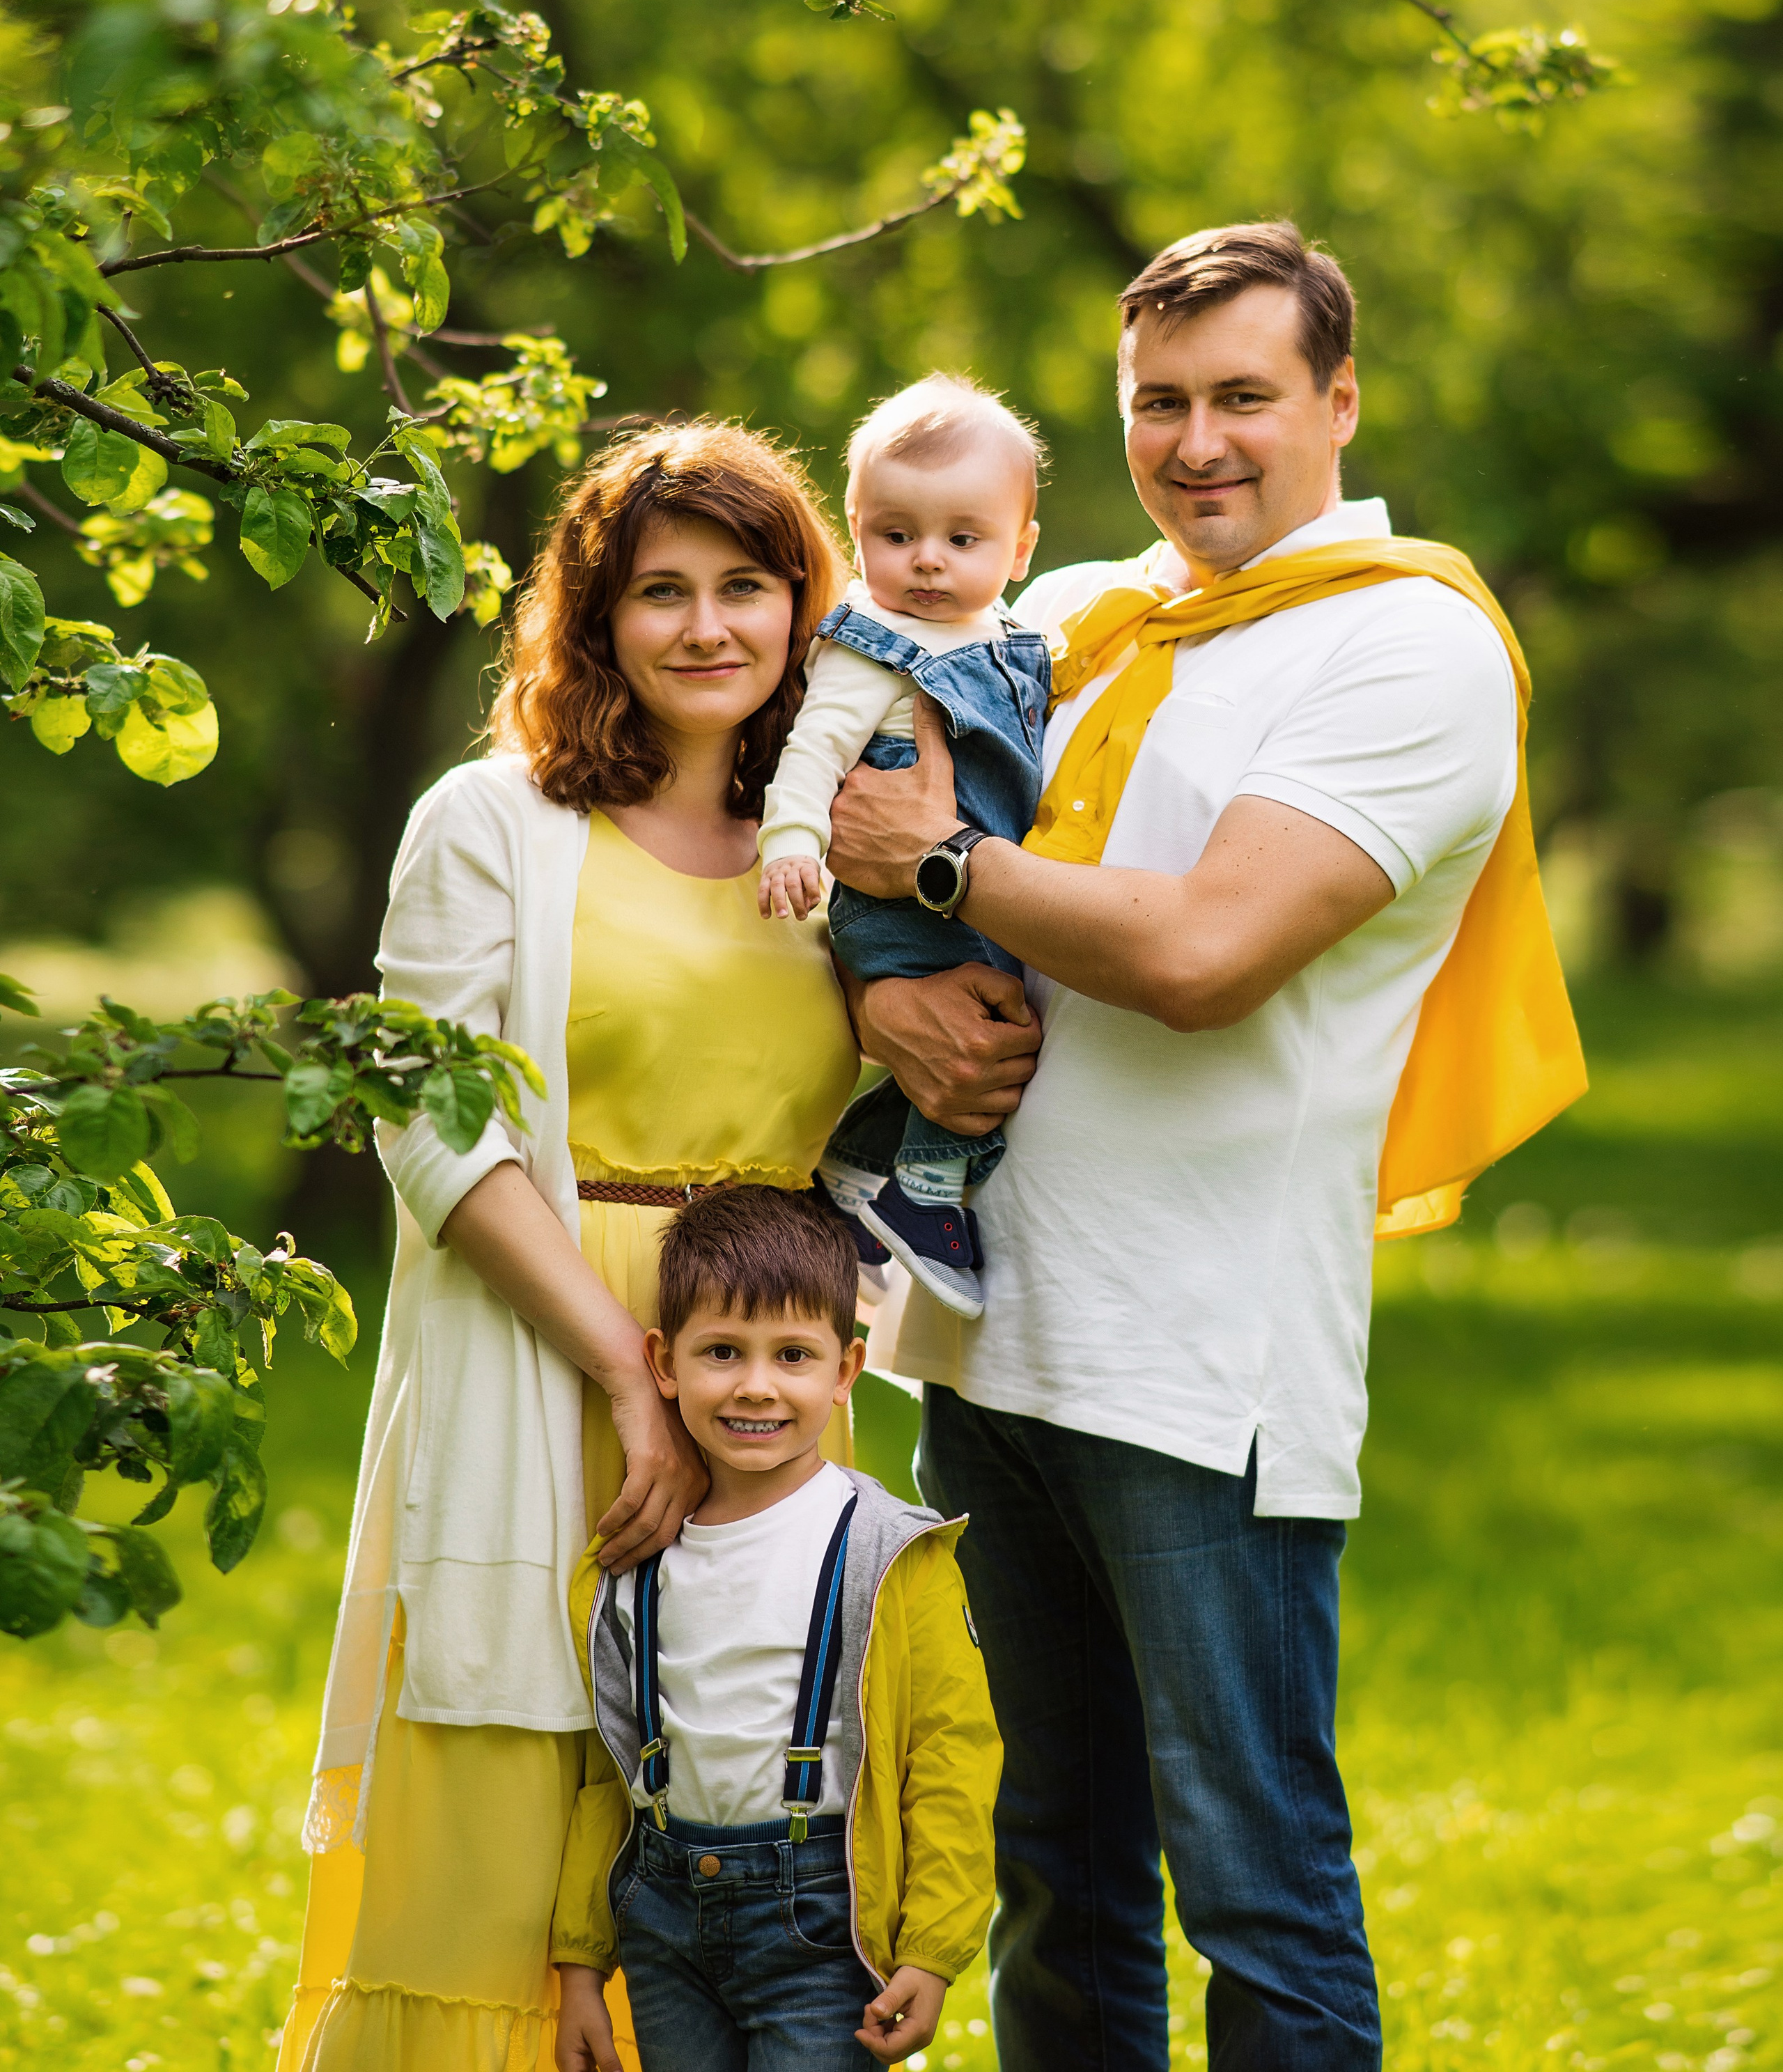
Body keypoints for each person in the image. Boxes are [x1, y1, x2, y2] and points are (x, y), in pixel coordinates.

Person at [825, 221, 1587, 2071]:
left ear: (1339, 400)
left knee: (1257, 1897)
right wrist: (884, 997)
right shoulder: (1071, 614)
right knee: (1051, 1888)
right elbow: (859, 861)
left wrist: (937, 861)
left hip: (1204, 1370)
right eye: (1156, 402)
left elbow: (1199, 953)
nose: (1198, 441)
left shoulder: (1409, 644)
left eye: (1245, 396)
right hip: (991, 1347)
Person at [279, 423, 865, 2072]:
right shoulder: (491, 820)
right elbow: (424, 1121)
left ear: (803, 607)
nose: (703, 628)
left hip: (764, 1372)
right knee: (498, 1831)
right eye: (656, 590)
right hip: (551, 1347)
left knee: (738, 1828)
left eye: (744, 586)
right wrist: (624, 1372)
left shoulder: (847, 852)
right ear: (593, 619)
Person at [551, 1184, 1001, 2072]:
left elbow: (951, 1757)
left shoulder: (889, 1551)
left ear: (845, 1371)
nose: (756, 1384)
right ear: (663, 1360)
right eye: (722, 1350)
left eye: (792, 1353)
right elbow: (612, 1771)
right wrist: (578, 1961)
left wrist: (931, 1948)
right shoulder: (635, 1562)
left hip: (819, 1925)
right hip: (662, 1918)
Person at [756, 375, 1052, 1318]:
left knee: (986, 1011)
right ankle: (924, 1194)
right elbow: (813, 753)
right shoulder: (872, 644)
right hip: (897, 909)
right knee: (989, 1023)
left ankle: (854, 1165)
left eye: (962, 540)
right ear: (856, 527)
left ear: (1020, 546)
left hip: (970, 889)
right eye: (895, 536)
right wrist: (791, 841)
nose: (927, 563)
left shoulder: (1011, 634)